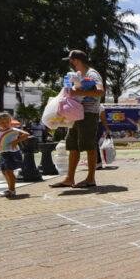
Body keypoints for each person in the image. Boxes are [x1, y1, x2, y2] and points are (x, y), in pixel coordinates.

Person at [50, 50, 105, 189]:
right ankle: (69, 178)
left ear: (75, 60)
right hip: (74, 114)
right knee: (72, 145)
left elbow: (100, 91)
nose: (70, 64)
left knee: (89, 145)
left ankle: (90, 179)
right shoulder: (76, 75)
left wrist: (77, 92)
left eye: (71, 61)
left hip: (88, 114)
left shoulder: (92, 73)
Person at [0, 112, 31, 198]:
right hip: (3, 153)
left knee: (9, 171)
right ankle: (10, 188)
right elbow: (0, 141)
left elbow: (26, 134)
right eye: (2, 123)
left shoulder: (13, 130)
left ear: (10, 121)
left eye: (7, 122)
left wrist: (16, 141)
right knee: (4, 171)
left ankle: (12, 190)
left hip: (12, 153)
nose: (5, 124)